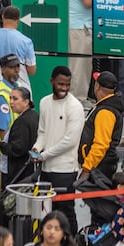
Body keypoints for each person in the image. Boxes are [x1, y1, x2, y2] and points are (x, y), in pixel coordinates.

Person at [32, 66, 86, 236]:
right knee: (48, 212)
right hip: (46, 170)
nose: (64, 88)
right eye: (60, 84)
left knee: (66, 212)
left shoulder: (75, 107)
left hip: (65, 171)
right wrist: (36, 148)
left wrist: (43, 155)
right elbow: (42, 132)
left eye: (67, 84)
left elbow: (70, 141)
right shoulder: (44, 102)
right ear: (51, 81)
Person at [68, 0, 103, 107]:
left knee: (80, 65)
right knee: (79, 66)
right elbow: (88, 1)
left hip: (77, 25)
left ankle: (79, 97)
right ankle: (77, 100)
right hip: (80, 27)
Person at [0, 6, 37, 99]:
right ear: (18, 20)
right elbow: (32, 70)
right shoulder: (26, 41)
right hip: (21, 92)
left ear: (2, 17)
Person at [0, 87, 38, 186]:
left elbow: (17, 149)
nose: (11, 102)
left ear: (26, 102)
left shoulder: (22, 122)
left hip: (18, 174)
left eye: (15, 99)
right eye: (10, 98)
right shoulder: (33, 116)